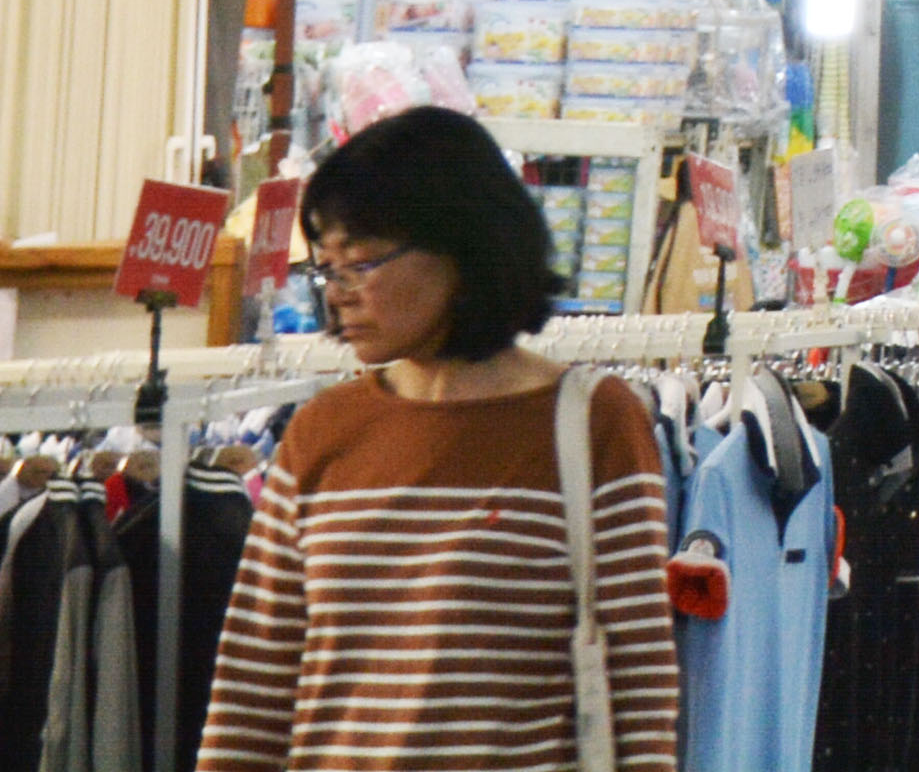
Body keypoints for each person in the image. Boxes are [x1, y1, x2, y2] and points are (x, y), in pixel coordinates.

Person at [198, 106, 682, 772]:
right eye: (325, 268)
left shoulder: (594, 422)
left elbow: (640, 693)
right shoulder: (321, 432)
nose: (336, 294)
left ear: (463, 247)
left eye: (360, 264)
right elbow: (253, 689)